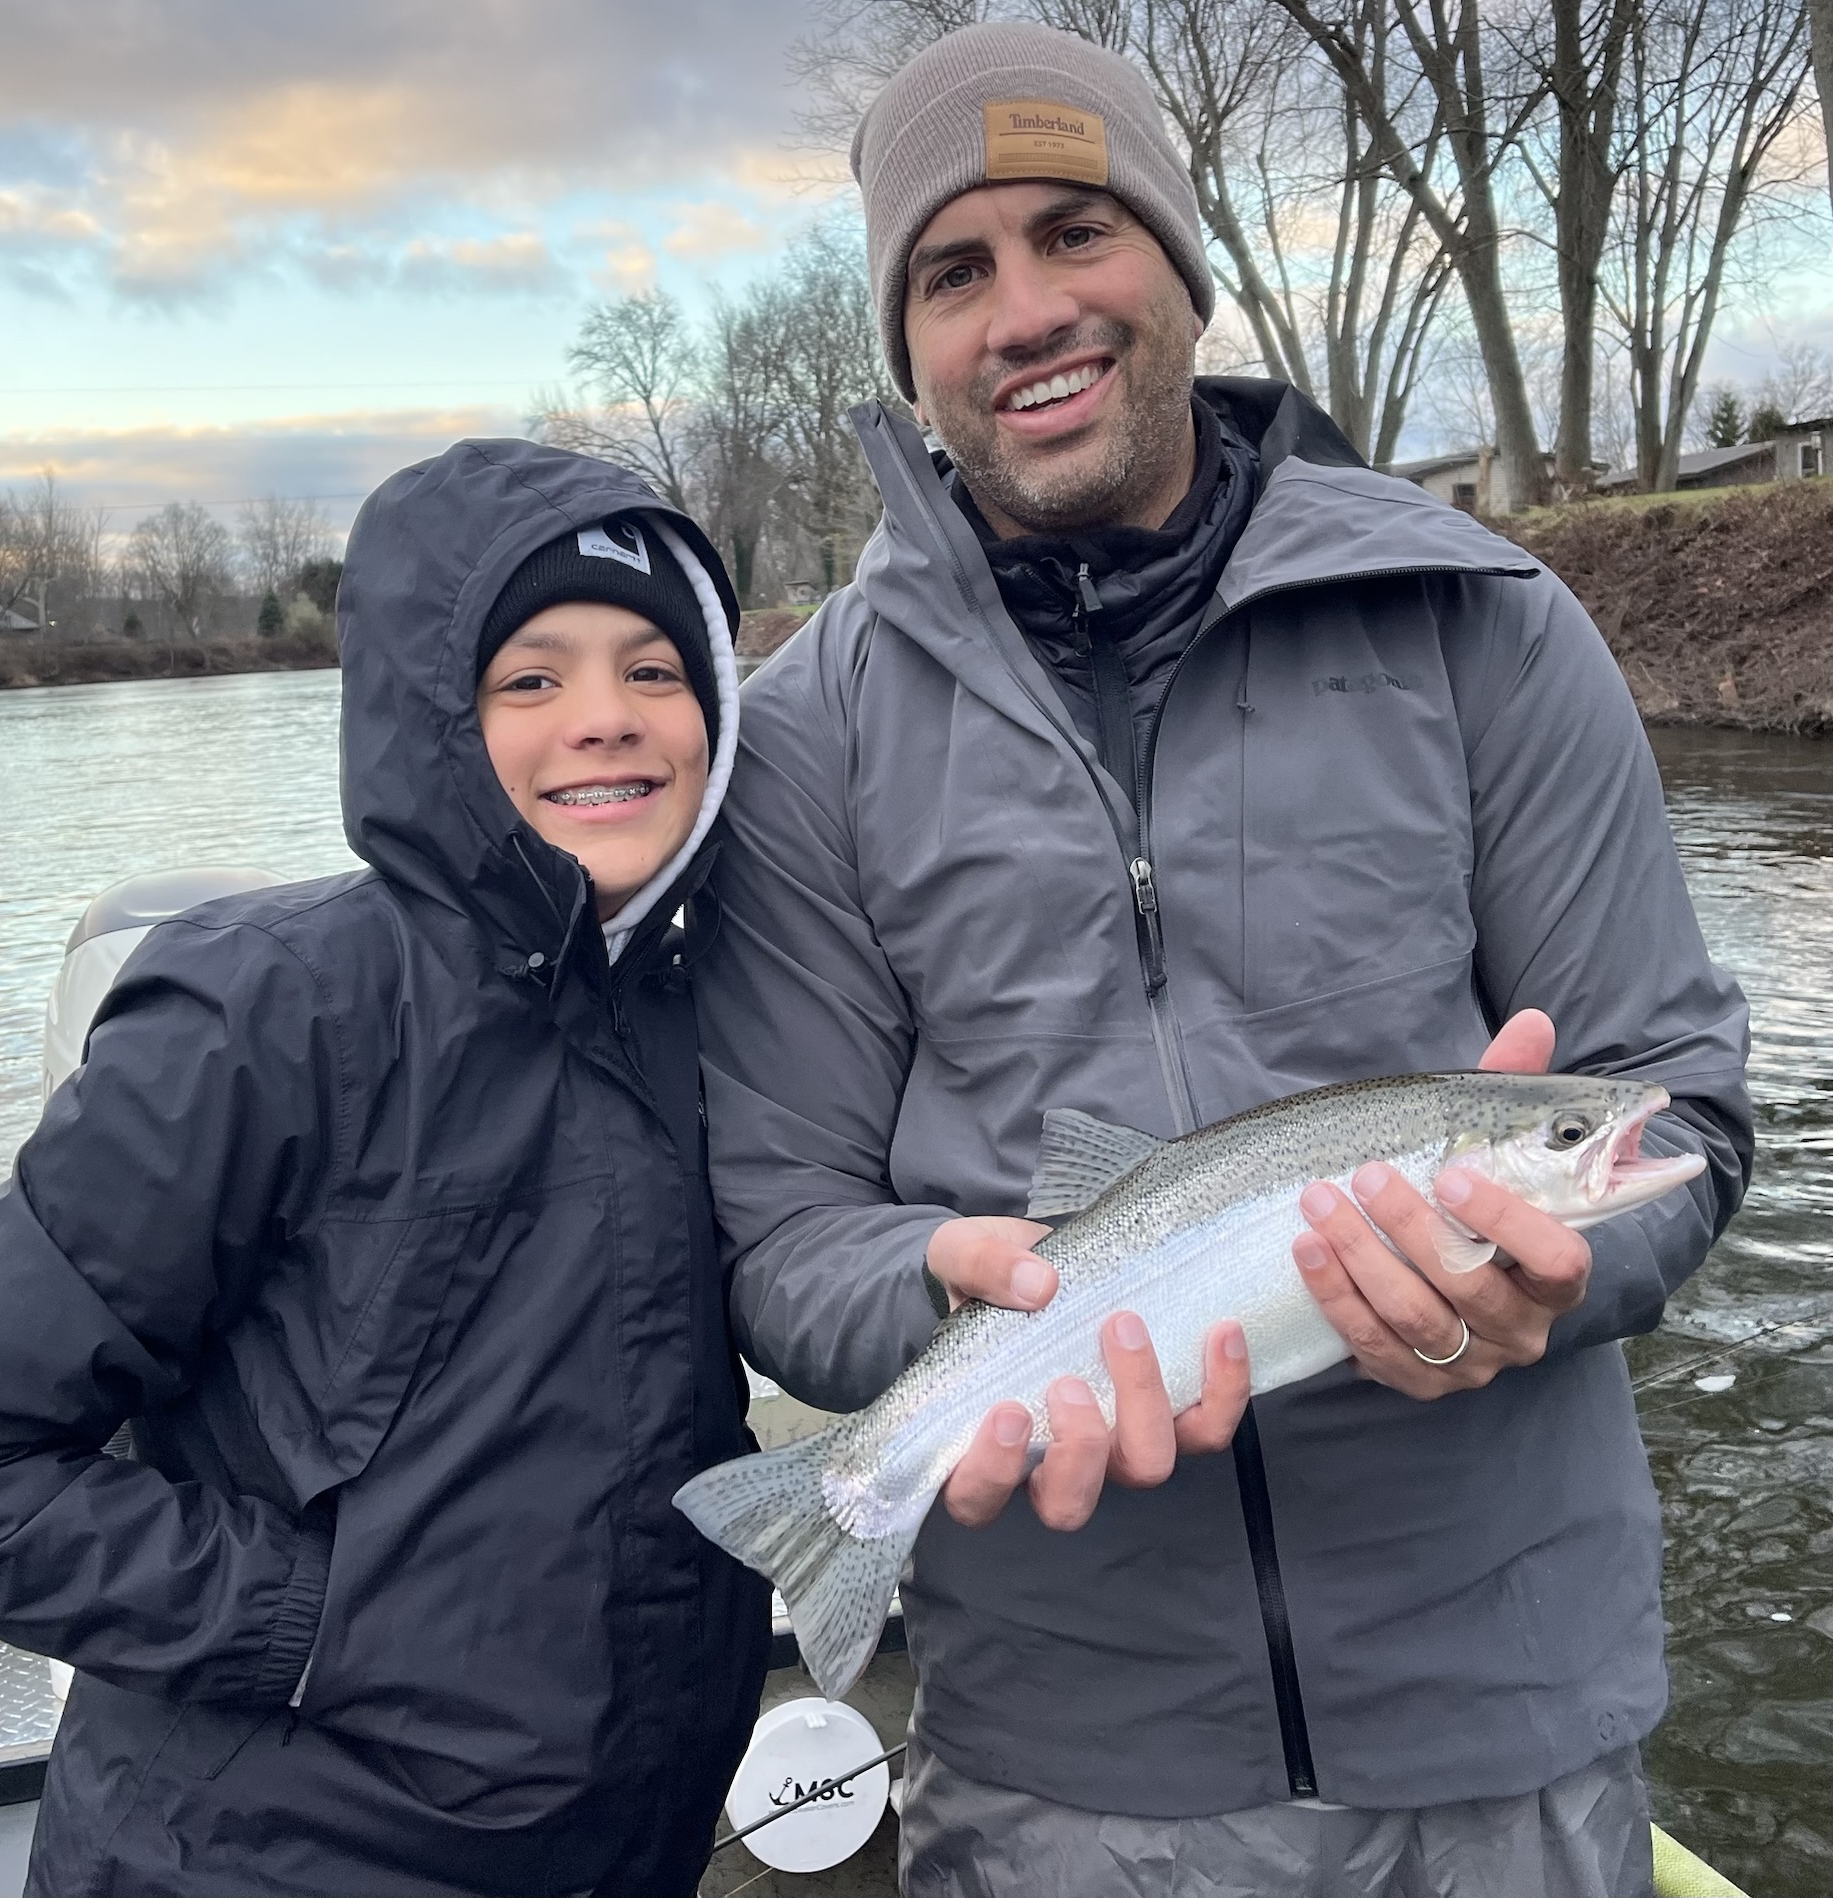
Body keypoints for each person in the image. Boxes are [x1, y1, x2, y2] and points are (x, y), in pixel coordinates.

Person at [695, 22, 1752, 1898]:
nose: (1028, 311)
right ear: (909, 345)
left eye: (1078, 232)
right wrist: (943, 1290)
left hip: (1508, 1721)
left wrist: (1555, 1273)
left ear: (1184, 267)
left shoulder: (1487, 623)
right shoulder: (805, 738)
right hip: (1064, 1766)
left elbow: (1681, 1118)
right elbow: (782, 1237)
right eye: (955, 271)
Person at [0, 441, 770, 1898]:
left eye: (656, 670)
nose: (606, 716)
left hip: (618, 1850)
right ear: (431, 718)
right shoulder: (263, 1009)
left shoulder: (701, 1004)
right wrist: (317, 1624)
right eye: (530, 678)